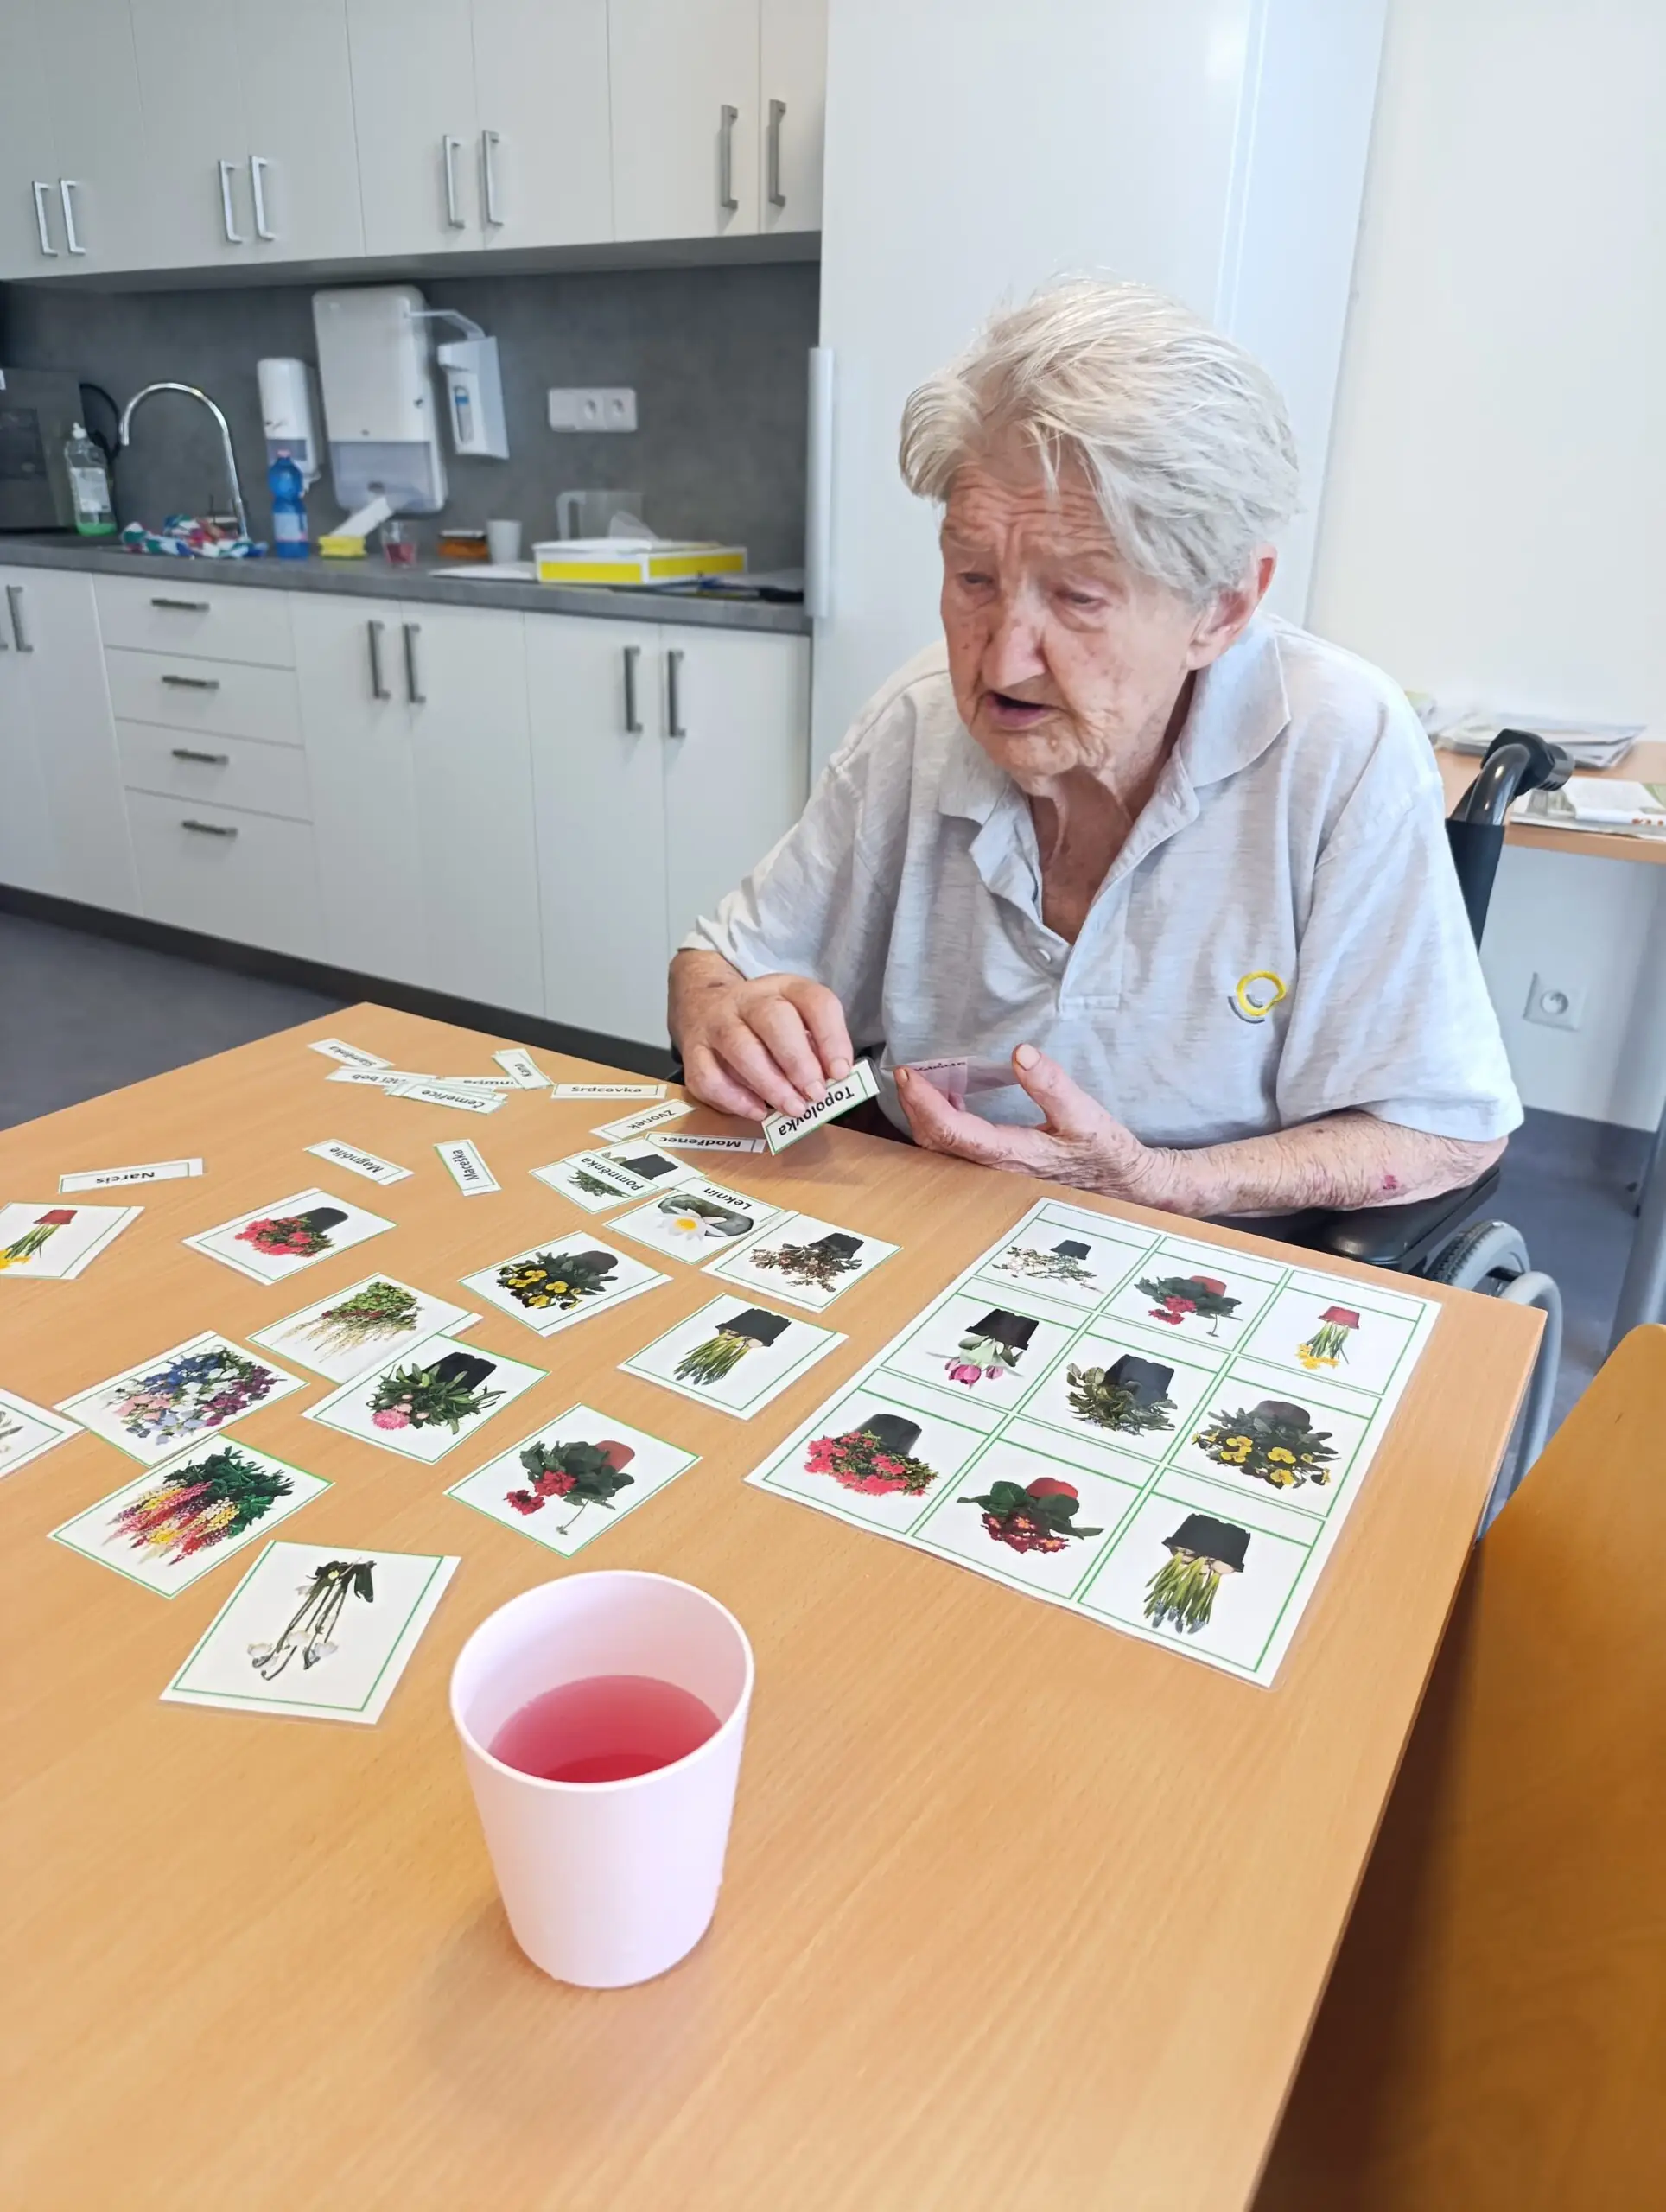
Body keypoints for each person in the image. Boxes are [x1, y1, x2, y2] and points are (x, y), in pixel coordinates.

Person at [670, 281, 1519, 1216]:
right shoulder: (921, 717)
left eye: (1077, 598)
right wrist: (722, 1013)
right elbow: (720, 962)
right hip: (935, 1217)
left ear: (1221, 607)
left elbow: (1445, 1130)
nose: (1001, 660)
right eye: (973, 578)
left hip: (1203, 1248)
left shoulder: (1338, 741)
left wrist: (1166, 1183)